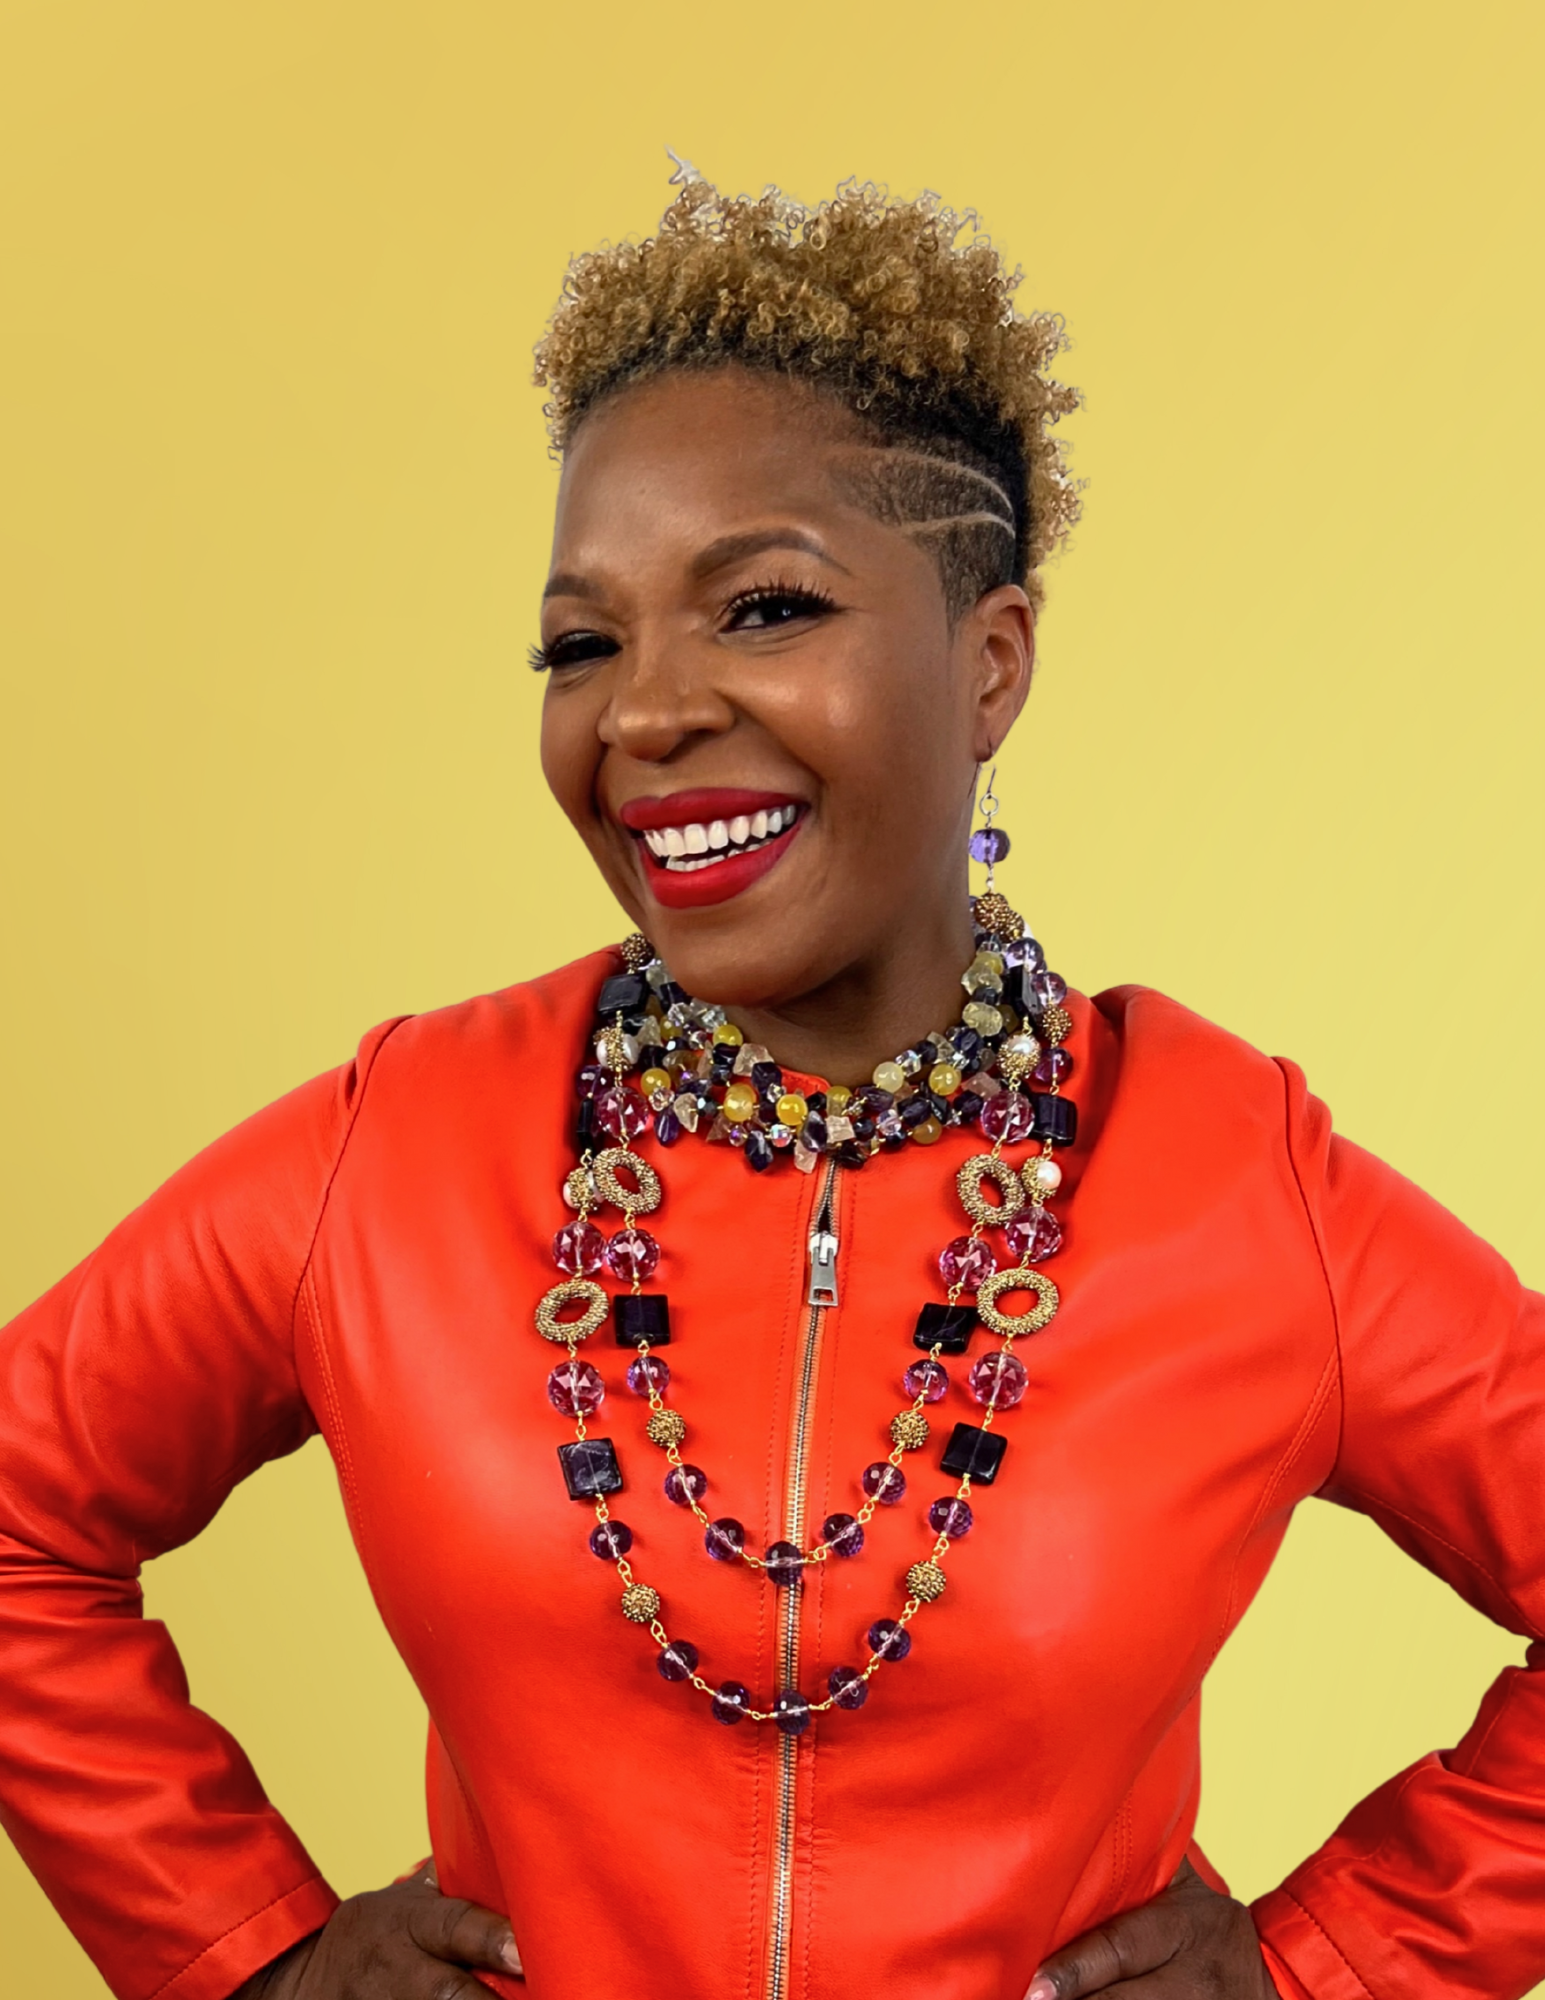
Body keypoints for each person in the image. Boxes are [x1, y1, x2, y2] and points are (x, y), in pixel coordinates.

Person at [2, 168, 1543, 2000]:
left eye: (762, 609)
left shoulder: (1227, 1170)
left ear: (991, 663)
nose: (643, 711)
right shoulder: (399, 1146)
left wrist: (1341, 1961)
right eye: (582, 643)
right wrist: (247, 1954)